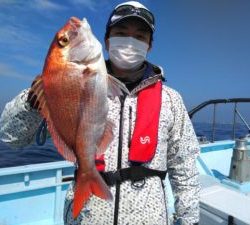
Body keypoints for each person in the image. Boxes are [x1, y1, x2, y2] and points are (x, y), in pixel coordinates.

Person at [0, 1, 200, 225]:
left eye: (140, 37)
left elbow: (185, 168)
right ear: (107, 40)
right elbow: (11, 138)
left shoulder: (170, 100)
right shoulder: (55, 84)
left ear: (149, 46)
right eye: (121, 33)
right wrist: (36, 99)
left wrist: (189, 220)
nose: (130, 42)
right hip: (87, 216)